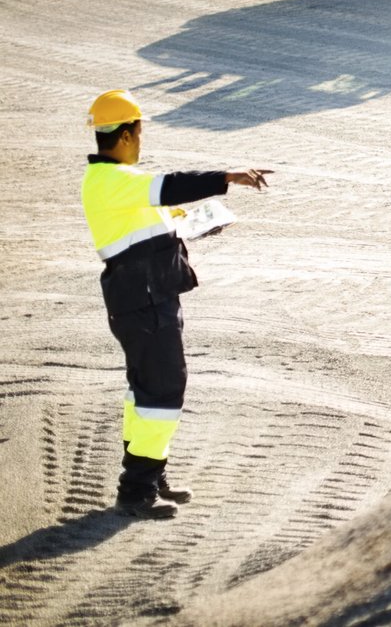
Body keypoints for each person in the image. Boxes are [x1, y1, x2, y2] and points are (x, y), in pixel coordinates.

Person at [79, 90, 272, 519]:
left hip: (150, 299)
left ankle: (149, 472)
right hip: (142, 305)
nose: (141, 140)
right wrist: (229, 176)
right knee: (162, 389)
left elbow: (153, 222)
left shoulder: (117, 185)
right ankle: (136, 490)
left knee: (146, 390)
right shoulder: (113, 181)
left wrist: (197, 225)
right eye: (140, 131)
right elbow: (171, 185)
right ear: (128, 134)